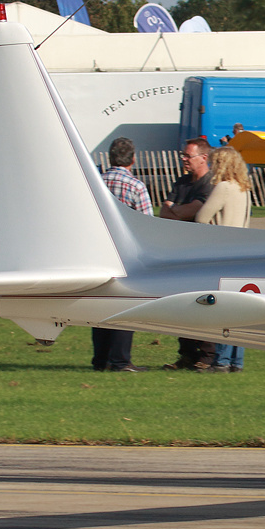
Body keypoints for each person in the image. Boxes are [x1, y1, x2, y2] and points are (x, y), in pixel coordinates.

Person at [91, 137, 153, 373]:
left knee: (100, 305)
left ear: (110, 157)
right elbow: (146, 221)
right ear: (133, 159)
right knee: (124, 305)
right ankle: (120, 360)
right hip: (126, 253)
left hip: (99, 250)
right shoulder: (136, 186)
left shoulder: (97, 183)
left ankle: (101, 359)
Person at [160, 137, 217, 370]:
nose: (184, 160)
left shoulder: (209, 184)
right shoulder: (182, 182)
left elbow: (193, 210)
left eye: (188, 156)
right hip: (179, 251)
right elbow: (163, 210)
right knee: (181, 305)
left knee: (203, 305)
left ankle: (205, 357)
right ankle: (186, 354)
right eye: (183, 156)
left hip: (203, 252)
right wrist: (176, 211)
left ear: (203, 158)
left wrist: (175, 210)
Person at [197, 145, 252, 372]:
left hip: (221, 253)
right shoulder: (244, 188)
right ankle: (236, 361)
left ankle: (221, 360)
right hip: (242, 253)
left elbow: (202, 218)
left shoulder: (223, 187)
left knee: (222, 310)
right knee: (238, 311)